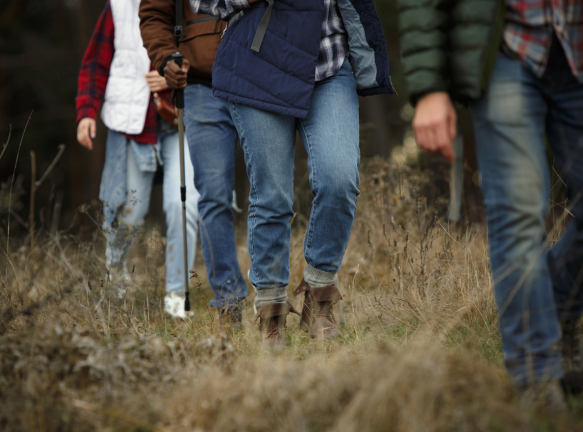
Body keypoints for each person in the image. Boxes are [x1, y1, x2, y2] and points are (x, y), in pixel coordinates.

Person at [399, 0, 583, 408]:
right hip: (506, 47)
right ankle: (536, 380)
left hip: (575, 43)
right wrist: (429, 87)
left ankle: (556, 299)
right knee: (518, 214)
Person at [190, 0, 395, 346]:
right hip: (258, 64)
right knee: (272, 195)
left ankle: (320, 293)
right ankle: (270, 311)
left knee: (339, 179)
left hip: (329, 61)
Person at [75, 0, 200, 319]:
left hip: (181, 122)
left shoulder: (192, 3)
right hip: (128, 124)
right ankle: (116, 288)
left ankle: (176, 296)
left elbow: (210, 53)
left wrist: (177, 74)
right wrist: (87, 112)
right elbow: (95, 64)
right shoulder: (117, 7)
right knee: (126, 211)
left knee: (183, 205)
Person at [139, 0, 249, 329]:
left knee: (268, 190)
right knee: (213, 195)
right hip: (201, 84)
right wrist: (165, 58)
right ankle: (229, 304)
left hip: (258, 77)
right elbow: (154, 15)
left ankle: (272, 295)